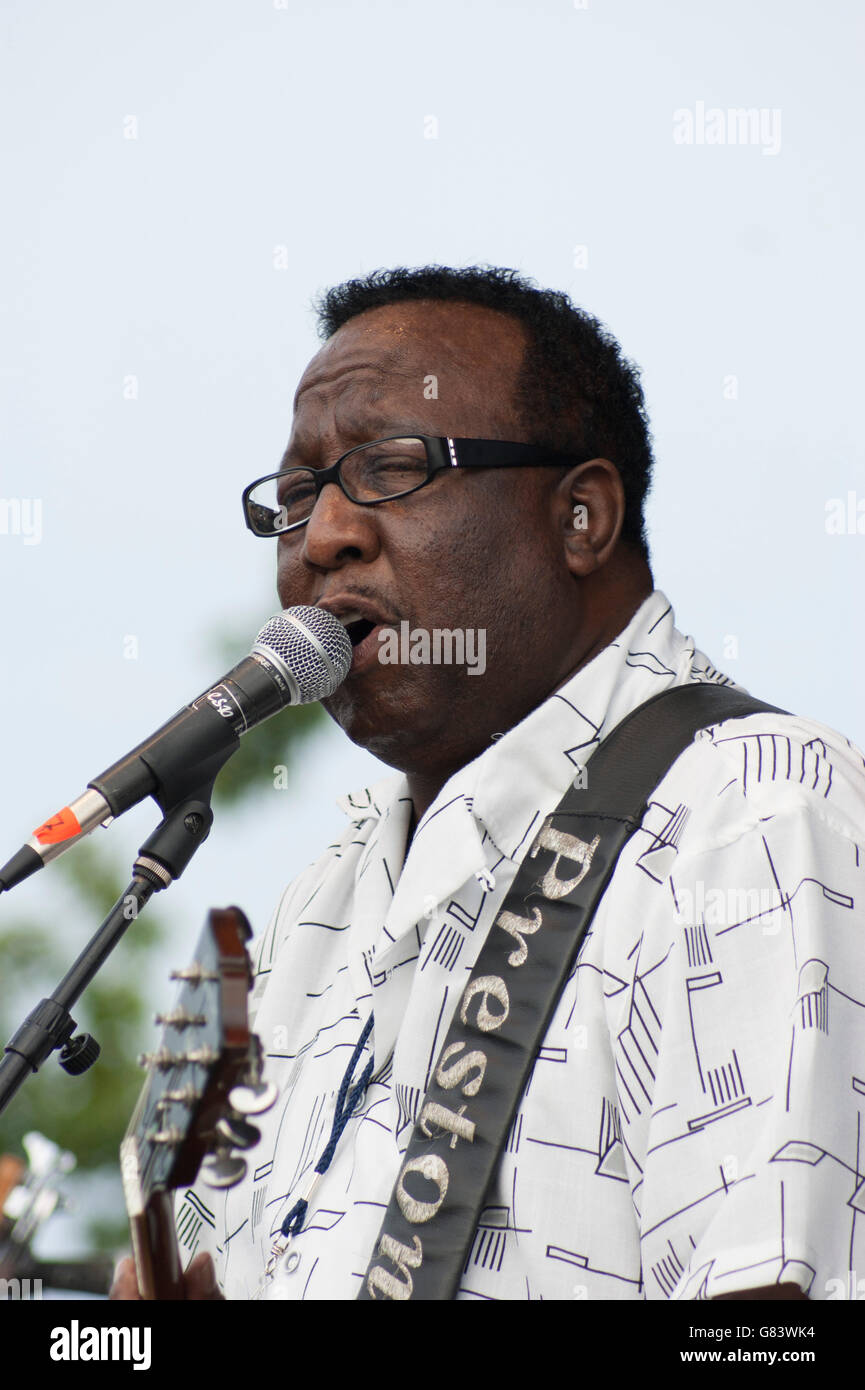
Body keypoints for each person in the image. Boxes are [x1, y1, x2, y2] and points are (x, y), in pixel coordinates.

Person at [112, 265, 865, 1302]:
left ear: (580, 518)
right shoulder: (318, 907)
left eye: (390, 467)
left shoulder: (750, 812)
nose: (324, 533)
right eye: (296, 495)